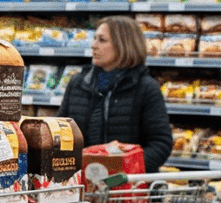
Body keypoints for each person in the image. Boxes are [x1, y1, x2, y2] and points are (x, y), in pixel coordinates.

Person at [58, 16, 173, 169]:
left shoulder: (146, 88)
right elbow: (60, 133)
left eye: (102, 40)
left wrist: (123, 168)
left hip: (127, 185)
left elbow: (161, 144)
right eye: (94, 39)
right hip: (81, 182)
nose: (93, 45)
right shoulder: (78, 83)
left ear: (123, 45)